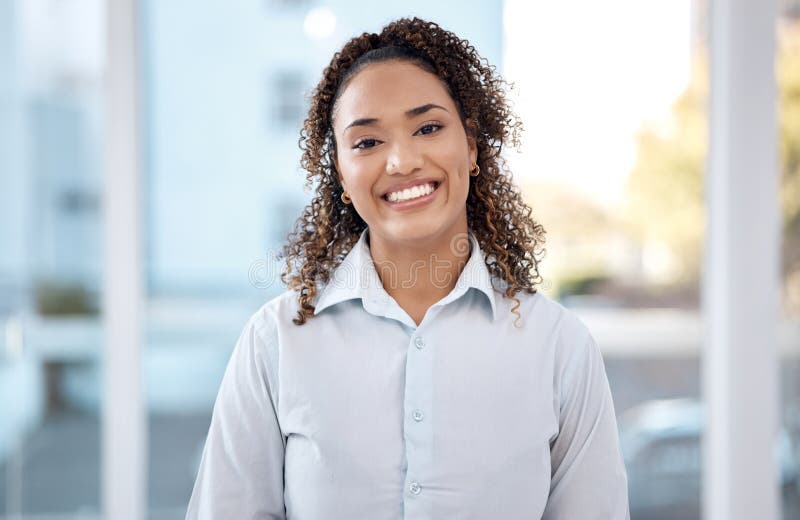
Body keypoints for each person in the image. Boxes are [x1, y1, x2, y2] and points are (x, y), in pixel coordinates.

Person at [186, 17, 629, 520]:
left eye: (428, 127)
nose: (401, 160)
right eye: (368, 142)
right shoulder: (276, 341)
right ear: (341, 172)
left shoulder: (559, 346)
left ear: (472, 143)